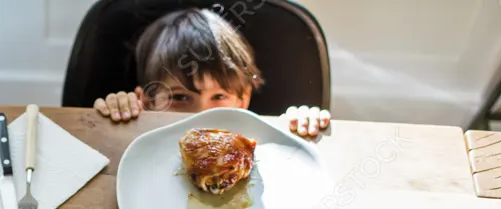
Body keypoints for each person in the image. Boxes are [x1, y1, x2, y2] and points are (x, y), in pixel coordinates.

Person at [93, 8, 330, 138]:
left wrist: (301, 122)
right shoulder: (141, 125)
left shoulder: (258, 142)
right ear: (148, 102)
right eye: (180, 98)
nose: (201, 115)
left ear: (242, 100)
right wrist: (119, 112)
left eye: (218, 97)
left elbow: (290, 141)